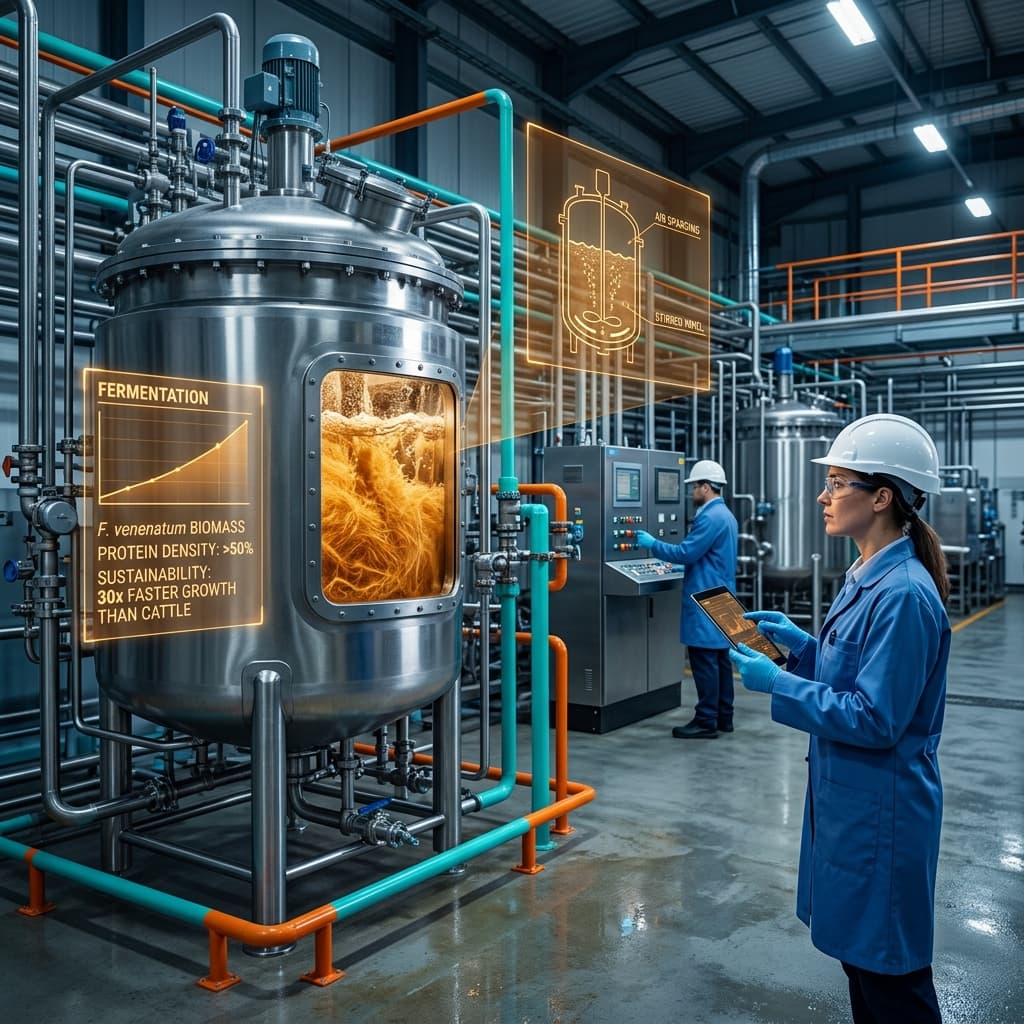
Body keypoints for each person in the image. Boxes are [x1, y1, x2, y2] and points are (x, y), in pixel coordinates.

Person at [729, 413, 950, 1024]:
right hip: (853, 804)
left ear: (881, 497)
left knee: (891, 981)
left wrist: (780, 683)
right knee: (865, 968)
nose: (823, 497)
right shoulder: (867, 578)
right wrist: (802, 649)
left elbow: (877, 717)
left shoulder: (901, 594)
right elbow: (856, 671)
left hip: (884, 812)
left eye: (836, 483)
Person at [636, 459, 738, 739]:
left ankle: (706, 721)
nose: (691, 492)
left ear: (705, 487)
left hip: (706, 598)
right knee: (720, 661)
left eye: (694, 487)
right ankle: (723, 717)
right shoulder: (726, 515)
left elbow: (685, 552)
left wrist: (651, 544)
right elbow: (708, 557)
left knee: (704, 661)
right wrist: (687, 566)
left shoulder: (709, 516)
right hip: (722, 595)